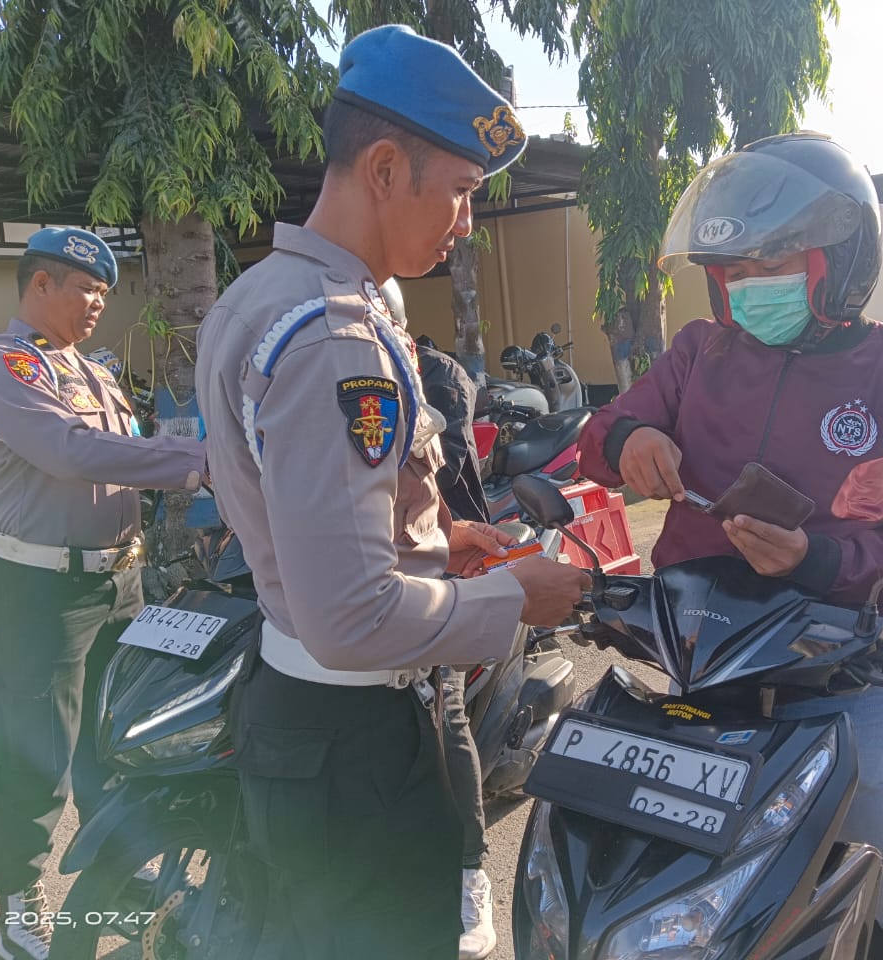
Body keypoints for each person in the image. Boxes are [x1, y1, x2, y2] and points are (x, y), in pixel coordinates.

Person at [194, 24, 590, 960]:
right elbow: (349, 615)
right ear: (382, 169)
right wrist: (514, 596)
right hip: (359, 736)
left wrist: (440, 537)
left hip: (309, 716)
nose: (466, 221)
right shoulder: (337, 340)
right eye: (460, 190)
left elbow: (320, 494)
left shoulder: (263, 297)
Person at [577, 132, 883, 960]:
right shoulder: (699, 353)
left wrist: (818, 561)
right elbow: (599, 435)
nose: (747, 284)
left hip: (845, 683)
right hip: (699, 676)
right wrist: (628, 441)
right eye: (733, 269)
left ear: (842, 261)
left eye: (772, 264)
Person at [0, 227, 207, 960]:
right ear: (40, 284)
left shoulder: (92, 370)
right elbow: (69, 450)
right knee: (38, 755)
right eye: (86, 289)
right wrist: (200, 461)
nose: (99, 302)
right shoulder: (4, 365)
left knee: (116, 740)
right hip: (45, 590)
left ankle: (119, 868)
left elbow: (125, 449)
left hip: (119, 581)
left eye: (104, 291)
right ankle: (18, 905)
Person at [381, 278, 497, 959]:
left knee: (444, 714)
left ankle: (470, 872)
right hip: (356, 587)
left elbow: (434, 479)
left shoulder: (435, 376)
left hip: (431, 569)